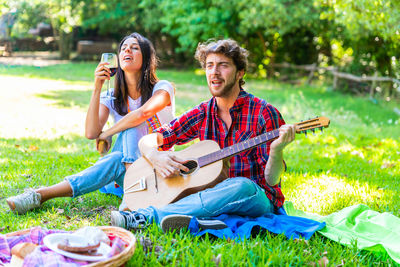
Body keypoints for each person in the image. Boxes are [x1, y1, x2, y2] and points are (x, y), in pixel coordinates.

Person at [110, 39, 296, 231]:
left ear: (240, 73)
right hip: (211, 195)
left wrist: (276, 150)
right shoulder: (203, 112)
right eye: (209, 66)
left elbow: (272, 181)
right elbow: (151, 139)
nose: (214, 72)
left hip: (255, 198)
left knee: (242, 186)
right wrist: (155, 156)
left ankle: (145, 217)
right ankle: (202, 220)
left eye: (223, 65)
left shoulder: (264, 113)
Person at [6, 32, 175, 214]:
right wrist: (97, 87)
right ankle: (38, 196)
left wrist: (109, 132)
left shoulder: (162, 88)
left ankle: (40, 195)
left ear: (147, 58)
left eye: (134, 47)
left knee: (129, 131)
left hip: (159, 169)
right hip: (131, 172)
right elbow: (91, 133)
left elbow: (143, 113)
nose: (127, 50)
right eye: (124, 47)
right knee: (119, 154)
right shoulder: (112, 97)